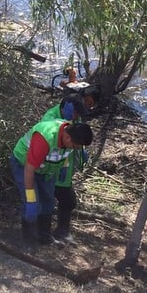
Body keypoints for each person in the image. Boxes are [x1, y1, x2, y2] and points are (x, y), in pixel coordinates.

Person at [9, 118, 93, 245]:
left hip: (47, 169)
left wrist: (64, 167)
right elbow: (29, 169)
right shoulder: (45, 138)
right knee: (33, 203)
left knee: (48, 200)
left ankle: (44, 236)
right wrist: (31, 199)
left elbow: (65, 154)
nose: (76, 149)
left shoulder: (71, 135)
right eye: (76, 146)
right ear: (68, 138)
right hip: (24, 165)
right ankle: (28, 240)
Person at [41, 94, 88, 244]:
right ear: (66, 108)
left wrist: (81, 153)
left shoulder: (75, 118)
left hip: (65, 170)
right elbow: (49, 143)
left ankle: (62, 231)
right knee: (47, 201)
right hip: (51, 168)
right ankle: (42, 235)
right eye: (75, 113)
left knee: (68, 201)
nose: (77, 117)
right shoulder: (50, 118)